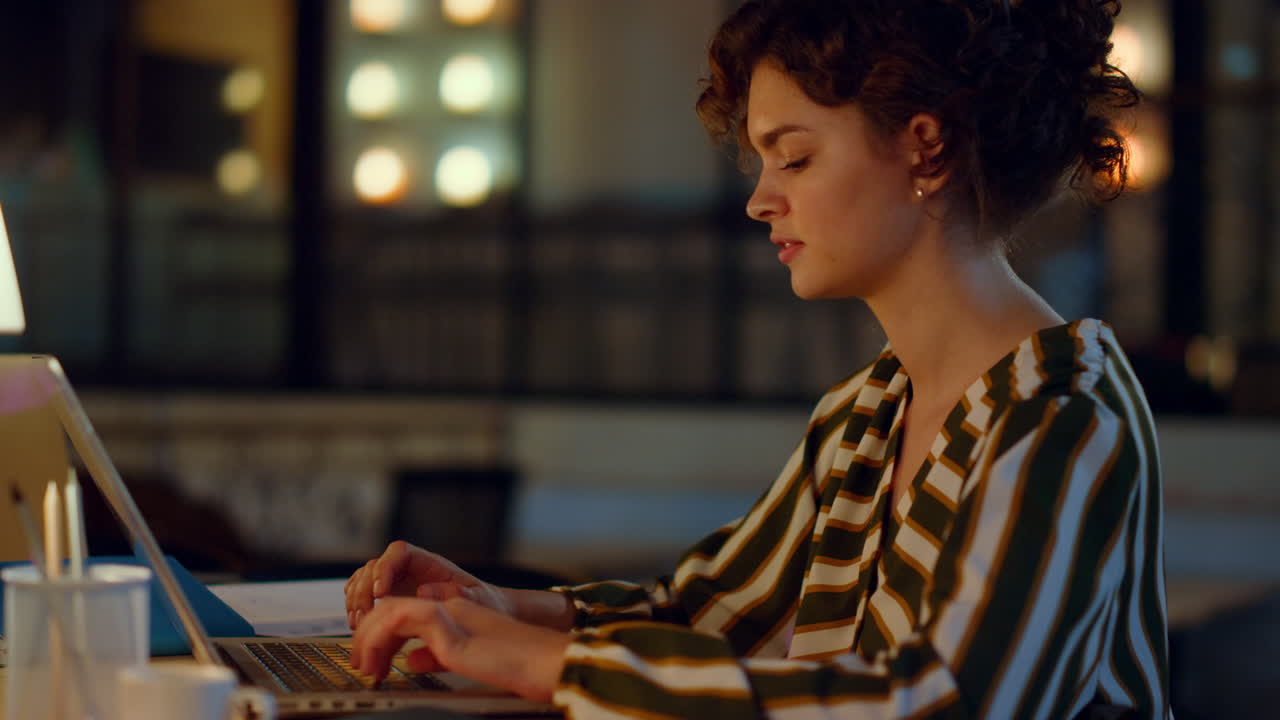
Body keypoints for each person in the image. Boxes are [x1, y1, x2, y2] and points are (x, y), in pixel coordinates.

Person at [344, 0, 1171, 716]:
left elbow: (936, 704)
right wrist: (498, 609)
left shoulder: (1062, 412)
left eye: (796, 155)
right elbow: (705, 612)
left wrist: (543, 665)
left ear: (927, 147)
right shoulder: (867, 414)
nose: (760, 197)